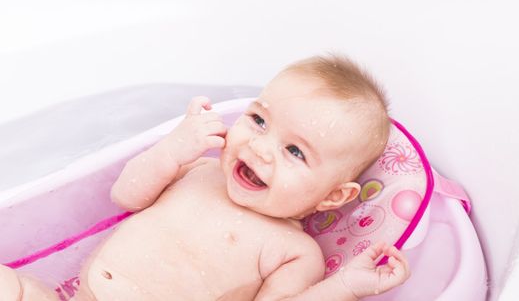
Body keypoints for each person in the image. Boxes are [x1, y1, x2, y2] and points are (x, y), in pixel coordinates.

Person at [0, 54, 410, 300]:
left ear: (333, 196)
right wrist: (173, 149)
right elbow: (126, 195)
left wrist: (346, 287)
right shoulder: (200, 170)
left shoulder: (294, 251)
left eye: (295, 151)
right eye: (259, 120)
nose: (260, 147)